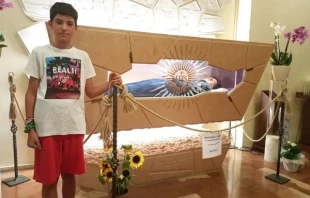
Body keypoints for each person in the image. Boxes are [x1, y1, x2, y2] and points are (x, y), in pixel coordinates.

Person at [24, 2, 122, 198]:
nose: (64, 28)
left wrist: (110, 84)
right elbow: (31, 92)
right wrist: (30, 127)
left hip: (74, 127)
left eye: (69, 23)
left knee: (70, 176)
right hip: (47, 130)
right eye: (59, 22)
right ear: (50, 24)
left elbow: (91, 91)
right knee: (49, 180)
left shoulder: (82, 56)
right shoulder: (39, 53)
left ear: (75, 28)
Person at [108, 76, 222, 97]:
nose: (210, 79)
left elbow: (187, 87)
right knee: (136, 88)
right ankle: (108, 91)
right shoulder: (200, 84)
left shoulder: (206, 86)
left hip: (164, 87)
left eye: (213, 80)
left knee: (136, 88)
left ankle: (106, 92)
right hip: (164, 86)